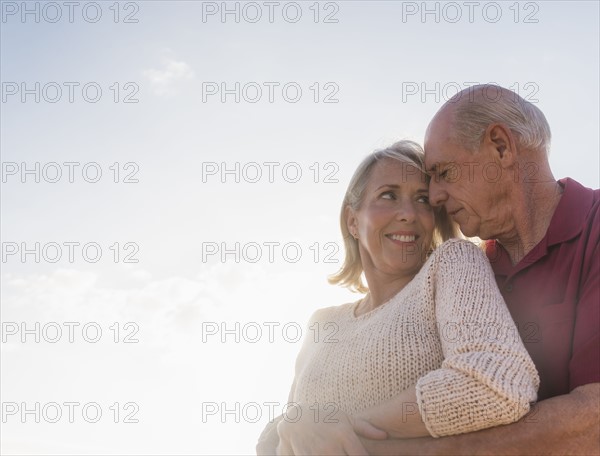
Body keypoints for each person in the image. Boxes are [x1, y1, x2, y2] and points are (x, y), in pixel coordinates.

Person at [257, 140, 540, 455]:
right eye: (388, 195)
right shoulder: (322, 323)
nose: (408, 214)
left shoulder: (452, 263)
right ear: (353, 220)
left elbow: (499, 382)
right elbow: (282, 438)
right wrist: (294, 424)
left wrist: (343, 429)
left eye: (422, 200)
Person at [360, 85, 600, 455]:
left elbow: (592, 424)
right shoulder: (466, 273)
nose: (436, 196)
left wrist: (386, 450)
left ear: (501, 146)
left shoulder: (595, 227)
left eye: (443, 172)